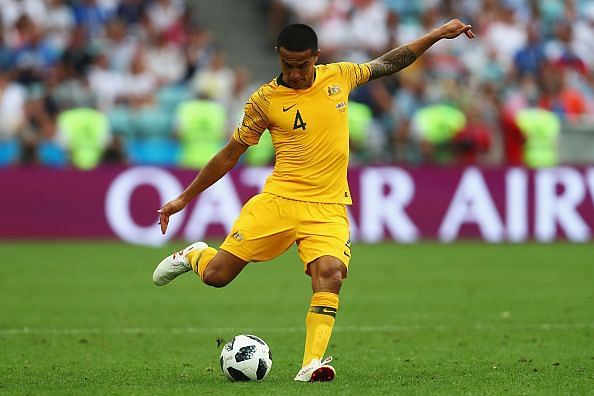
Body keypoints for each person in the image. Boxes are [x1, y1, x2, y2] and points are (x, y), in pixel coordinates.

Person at [153, 20, 474, 382]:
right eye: (287, 65)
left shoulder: (341, 76)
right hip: (279, 201)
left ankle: (311, 363)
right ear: (279, 57)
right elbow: (230, 154)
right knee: (217, 277)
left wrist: (434, 35)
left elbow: (388, 63)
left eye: (302, 65)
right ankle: (194, 255)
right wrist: (184, 198)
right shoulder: (264, 100)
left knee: (331, 274)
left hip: (328, 207)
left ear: (316, 57)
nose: (294, 73)